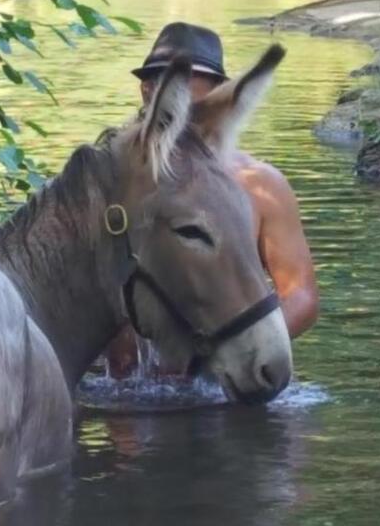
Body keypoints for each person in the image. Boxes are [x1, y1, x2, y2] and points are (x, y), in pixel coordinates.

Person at [106, 22, 319, 378]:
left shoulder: (261, 184)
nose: (178, 108)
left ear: (223, 98)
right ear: (146, 91)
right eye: (165, 92)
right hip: (135, 383)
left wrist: (236, 346)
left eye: (193, 100)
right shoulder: (110, 180)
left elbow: (301, 297)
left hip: (234, 372)